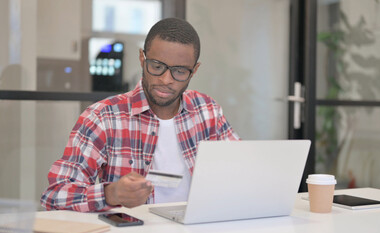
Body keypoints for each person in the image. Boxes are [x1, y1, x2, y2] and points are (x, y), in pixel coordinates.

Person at [40, 18, 239, 212]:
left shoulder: (207, 111)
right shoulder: (103, 117)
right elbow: (55, 195)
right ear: (142, 59)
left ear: (194, 70)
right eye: (157, 66)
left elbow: (241, 174)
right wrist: (112, 193)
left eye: (179, 71)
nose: (166, 79)